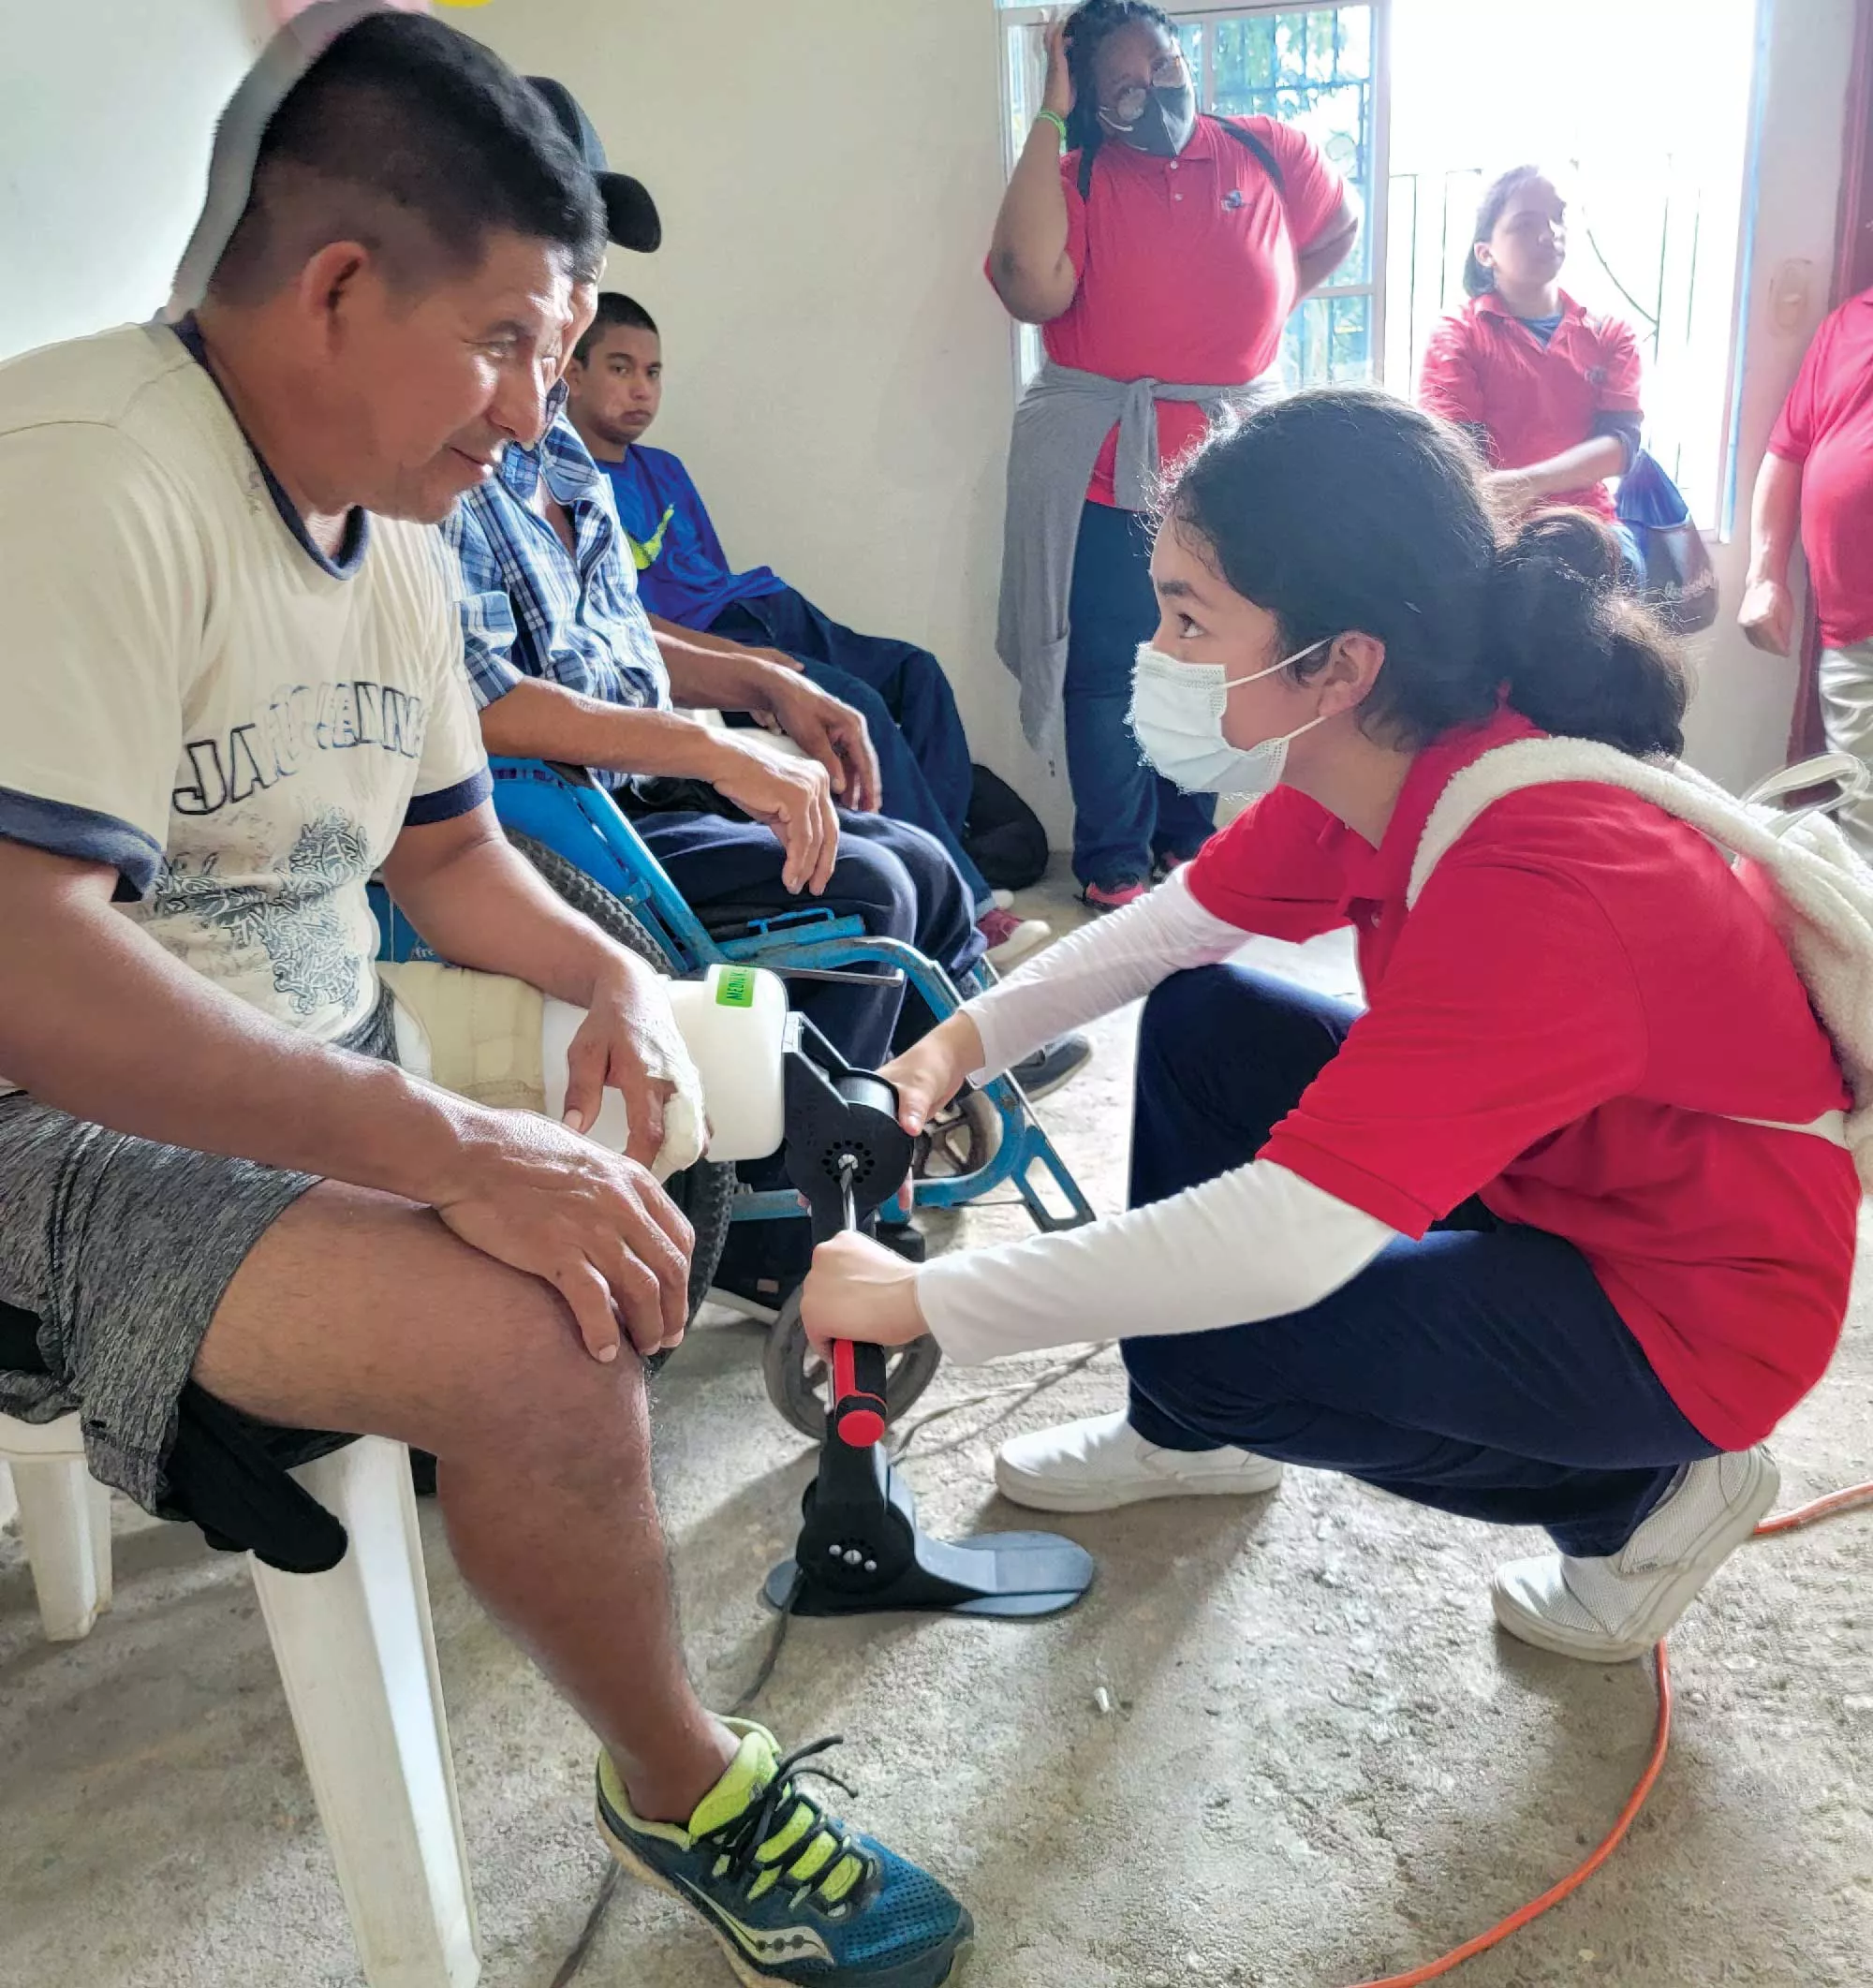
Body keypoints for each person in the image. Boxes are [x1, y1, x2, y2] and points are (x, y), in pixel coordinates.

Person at [0, 12, 970, 1984]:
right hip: (50, 1124)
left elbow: (443, 856)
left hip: (299, 1055)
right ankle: (680, 1777)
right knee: (539, 1333)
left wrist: (618, 976)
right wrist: (447, 1146)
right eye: (512, 341)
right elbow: (29, 961)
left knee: (714, 1087)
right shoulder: (88, 478)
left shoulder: (396, 523)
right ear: (340, 287)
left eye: (562, 347)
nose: (536, 411)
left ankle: (525, 1484)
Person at [802, 386, 1857, 1666]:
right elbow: (1165, 932)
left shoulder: (1549, 866)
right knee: (1206, 1019)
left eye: (1192, 614)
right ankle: (1193, 1438)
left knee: (1232, 1334)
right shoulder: (1386, 750)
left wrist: (929, 1297)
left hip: (1687, 1303)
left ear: (1341, 659)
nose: (1159, 647)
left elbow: (1284, 1239)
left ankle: (1644, 1495)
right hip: (1566, 1179)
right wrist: (947, 1049)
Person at [987, 0, 1358, 912]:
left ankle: (1185, 842)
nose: (1150, 91)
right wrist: (1049, 108)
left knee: (1209, 663)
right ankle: (1114, 861)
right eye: (1120, 87)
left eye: (1159, 64)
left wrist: (1263, 318)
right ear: (1089, 102)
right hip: (1104, 470)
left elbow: (1334, 229)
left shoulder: (1268, 151)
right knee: (1108, 665)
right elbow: (1029, 286)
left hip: (1227, 476)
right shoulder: (1075, 176)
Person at [564, 292, 1051, 968]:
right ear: (572, 372)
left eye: (653, 372)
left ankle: (949, 873)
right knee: (860, 707)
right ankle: (973, 915)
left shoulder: (665, 469)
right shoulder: (568, 485)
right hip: (711, 643)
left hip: (766, 606)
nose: (641, 389)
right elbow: (626, 624)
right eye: (621, 368)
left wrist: (762, 637)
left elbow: (713, 574)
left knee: (919, 672)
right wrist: (746, 662)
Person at [1418, 166, 1645, 569]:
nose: (1549, 233)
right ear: (1485, 252)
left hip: (1592, 525)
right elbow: (1456, 455)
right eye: (1525, 224)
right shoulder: (1461, 333)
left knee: (1620, 575)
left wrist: (1530, 484)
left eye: (1557, 218)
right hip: (1496, 528)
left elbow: (1620, 447)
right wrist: (1512, 503)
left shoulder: (1609, 333)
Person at [1740, 284, 1873, 857]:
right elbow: (1787, 451)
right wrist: (1764, 577)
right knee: (1864, 831)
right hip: (1851, 638)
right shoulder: (1845, 325)